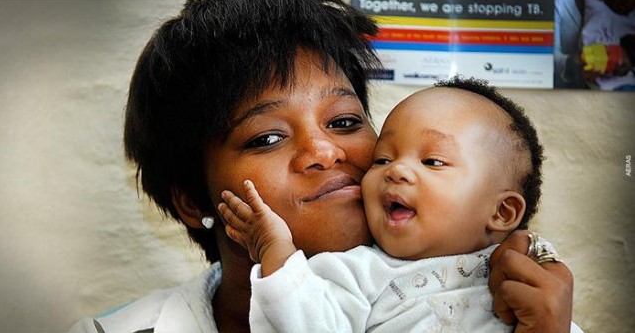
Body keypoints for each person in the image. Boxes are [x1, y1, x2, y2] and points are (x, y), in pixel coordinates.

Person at [70, 0, 575, 332]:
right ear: (192, 199)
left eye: (345, 122)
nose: (326, 152)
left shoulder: (512, 302)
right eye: (267, 137)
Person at [219, 76, 568, 332]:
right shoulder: (358, 272)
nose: (397, 170)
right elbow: (305, 321)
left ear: (502, 212)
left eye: (432, 162)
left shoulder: (529, 277)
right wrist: (276, 251)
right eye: (383, 159)